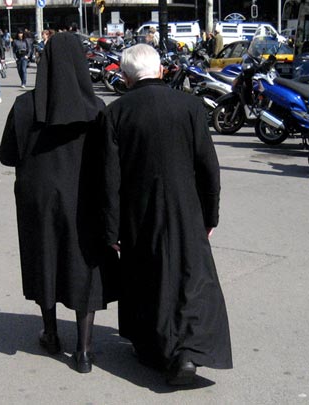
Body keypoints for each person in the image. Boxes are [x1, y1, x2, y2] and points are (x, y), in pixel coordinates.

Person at [99, 44, 233, 385]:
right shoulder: (189, 105)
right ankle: (188, 353)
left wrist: (111, 229)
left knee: (149, 280)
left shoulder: (116, 113)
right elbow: (208, 167)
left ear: (126, 77)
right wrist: (210, 215)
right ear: (160, 71)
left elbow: (110, 178)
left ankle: (157, 349)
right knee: (191, 280)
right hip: (186, 208)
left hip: (139, 213)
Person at [0, 32, 118, 374]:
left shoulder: (25, 106)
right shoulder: (96, 109)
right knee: (85, 268)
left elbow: (7, 156)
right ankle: (83, 352)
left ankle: (51, 334)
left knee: (45, 261)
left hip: (38, 203)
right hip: (85, 201)